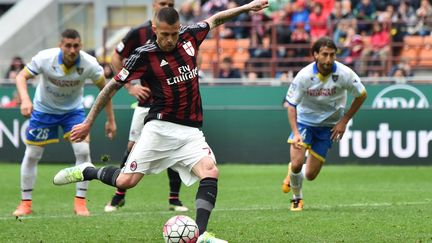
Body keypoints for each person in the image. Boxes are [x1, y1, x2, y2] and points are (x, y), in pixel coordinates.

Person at [53, 2, 268, 242]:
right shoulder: (143, 55)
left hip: (190, 131)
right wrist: (88, 123)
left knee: (210, 171)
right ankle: (87, 170)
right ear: (155, 29)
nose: (170, 39)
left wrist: (247, 7)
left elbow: (216, 19)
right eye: (164, 34)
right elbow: (111, 87)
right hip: (159, 128)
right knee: (127, 180)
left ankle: (200, 234)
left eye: (174, 33)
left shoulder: (189, 37)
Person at [12, 29, 117, 217]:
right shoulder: (45, 58)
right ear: (60, 45)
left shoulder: (90, 64)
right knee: (33, 154)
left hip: (73, 112)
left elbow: (107, 90)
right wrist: (25, 99)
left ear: (81, 46)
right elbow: (21, 77)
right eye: (68, 46)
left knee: (83, 152)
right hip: (44, 110)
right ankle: (25, 203)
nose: (72, 50)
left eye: (76, 46)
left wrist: (111, 120)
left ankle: (80, 203)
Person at [105, 0, 188, 213]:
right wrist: (131, 88)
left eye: (170, 3)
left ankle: (174, 199)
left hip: (172, 105)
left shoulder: (179, 33)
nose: (166, 5)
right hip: (146, 103)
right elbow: (116, 57)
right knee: (132, 148)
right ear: (153, 4)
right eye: (162, 2)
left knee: (175, 147)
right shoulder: (139, 32)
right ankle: (119, 196)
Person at [281, 36, 367, 211]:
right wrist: (296, 133)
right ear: (315, 55)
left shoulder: (344, 74)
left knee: (311, 175)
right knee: (297, 162)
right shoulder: (304, 76)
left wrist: (344, 121)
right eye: (325, 54)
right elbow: (291, 105)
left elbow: (361, 95)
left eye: (332, 55)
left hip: (329, 126)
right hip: (305, 122)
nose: (328, 59)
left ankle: (293, 174)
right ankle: (297, 198)